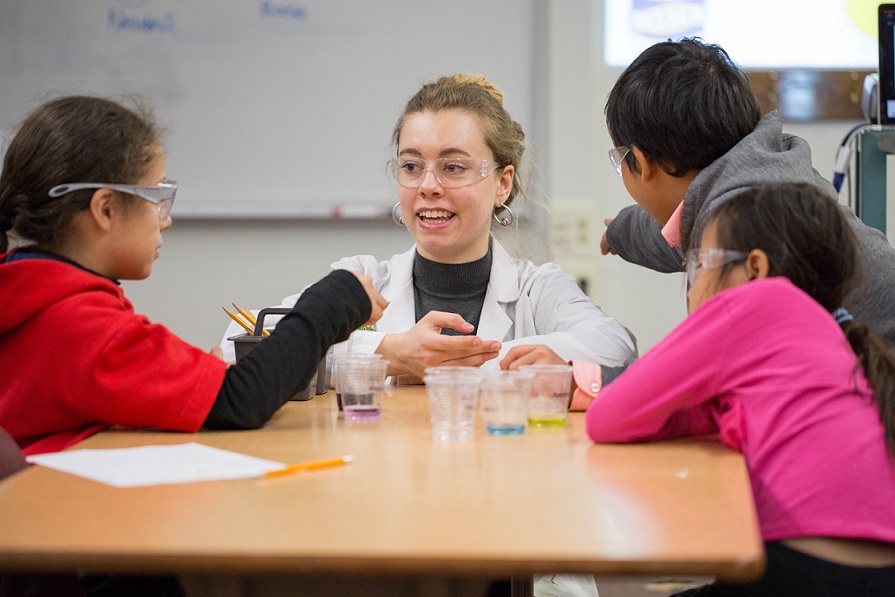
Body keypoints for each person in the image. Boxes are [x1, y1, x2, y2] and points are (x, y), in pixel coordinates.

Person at [0, 95, 388, 457]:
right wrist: (335, 299)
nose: (165, 220)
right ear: (105, 210)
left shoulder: (28, 289)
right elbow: (242, 400)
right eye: (157, 199)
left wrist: (196, 387)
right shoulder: (82, 325)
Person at [583, 183, 895, 595]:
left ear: (754, 267)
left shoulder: (756, 302)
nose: (692, 287)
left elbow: (608, 417)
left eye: (701, 264)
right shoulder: (830, 334)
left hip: (803, 569)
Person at [220, 74, 637, 381]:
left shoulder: (537, 289)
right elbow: (238, 339)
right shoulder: (363, 280)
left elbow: (618, 346)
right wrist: (386, 352)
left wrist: (468, 359)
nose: (428, 187)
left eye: (453, 167)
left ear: (502, 183)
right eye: (411, 166)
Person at [600, 37, 895, 348]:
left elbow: (703, 369)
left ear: (643, 162)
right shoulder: (759, 176)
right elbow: (671, 233)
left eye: (619, 161)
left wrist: (596, 381)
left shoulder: (743, 230)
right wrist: (619, 232)